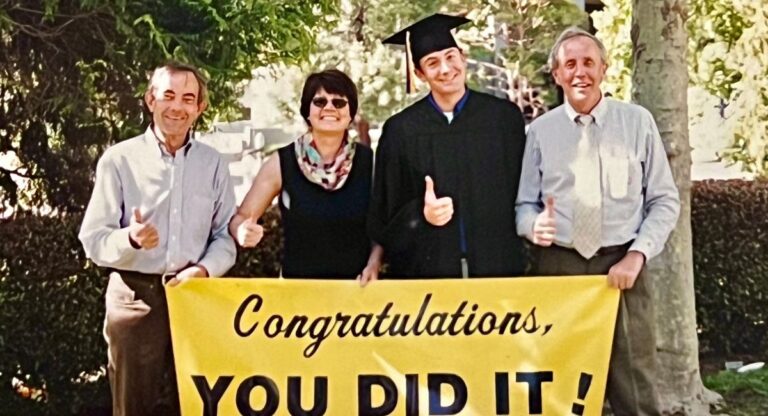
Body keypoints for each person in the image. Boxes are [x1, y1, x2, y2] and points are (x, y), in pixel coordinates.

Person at [516, 27, 680, 415]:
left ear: (604, 68)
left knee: (634, 385)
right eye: (570, 64)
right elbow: (524, 204)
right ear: (556, 74)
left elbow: (664, 201)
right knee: (561, 384)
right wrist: (532, 225)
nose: (580, 72)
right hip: (560, 268)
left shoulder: (637, 123)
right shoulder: (539, 132)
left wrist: (637, 255)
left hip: (622, 268)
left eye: (589, 62)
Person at [79, 62, 236, 416]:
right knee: (132, 407)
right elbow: (93, 239)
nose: (177, 106)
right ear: (150, 100)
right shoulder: (119, 160)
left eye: (188, 98)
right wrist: (130, 240)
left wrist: (204, 270)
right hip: (134, 299)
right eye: (168, 95)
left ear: (200, 108)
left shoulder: (213, 164)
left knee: (197, 406)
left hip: (195, 298)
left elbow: (225, 235)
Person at [369, 13, 527, 278]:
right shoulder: (401, 130)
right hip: (429, 270)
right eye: (432, 62)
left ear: (463, 57)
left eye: (450, 56)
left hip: (498, 267)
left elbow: (524, 191)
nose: (445, 68)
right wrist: (421, 214)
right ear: (419, 74)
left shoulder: (503, 119)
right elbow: (386, 209)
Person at [229, 69, 381, 283]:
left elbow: (382, 227)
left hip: (358, 291)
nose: (329, 107)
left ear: (351, 113)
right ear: (307, 111)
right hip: (297, 293)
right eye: (319, 102)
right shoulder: (281, 163)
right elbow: (242, 217)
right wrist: (241, 231)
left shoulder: (371, 163)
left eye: (339, 102)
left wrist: (374, 262)